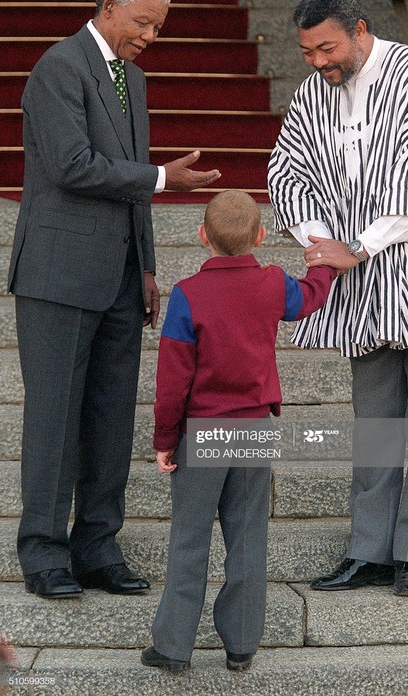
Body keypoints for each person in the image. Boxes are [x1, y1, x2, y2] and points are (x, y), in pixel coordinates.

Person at [268, 0, 408, 597]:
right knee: (376, 422)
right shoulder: (315, 92)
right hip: (360, 284)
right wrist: (319, 241)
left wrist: (357, 246)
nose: (317, 62)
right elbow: (288, 170)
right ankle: (368, 550)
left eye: (327, 48)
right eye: (308, 51)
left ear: (361, 29)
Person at [7, 0, 221, 600]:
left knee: (108, 419)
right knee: (55, 419)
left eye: (158, 26)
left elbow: (131, 184)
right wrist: (161, 178)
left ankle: (98, 546)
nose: (151, 36)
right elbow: (74, 167)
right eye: (143, 22)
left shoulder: (133, 78)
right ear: (107, 7)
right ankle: (44, 554)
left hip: (120, 280)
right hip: (58, 276)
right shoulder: (58, 68)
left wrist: (147, 265)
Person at [141, 190, 336, 672]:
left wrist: (166, 439)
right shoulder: (272, 283)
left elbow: (172, 380)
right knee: (248, 539)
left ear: (202, 235)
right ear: (261, 236)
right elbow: (309, 296)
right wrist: (325, 262)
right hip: (253, 429)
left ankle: (173, 647)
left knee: (189, 539)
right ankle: (242, 644)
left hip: (203, 430)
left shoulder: (188, 293)